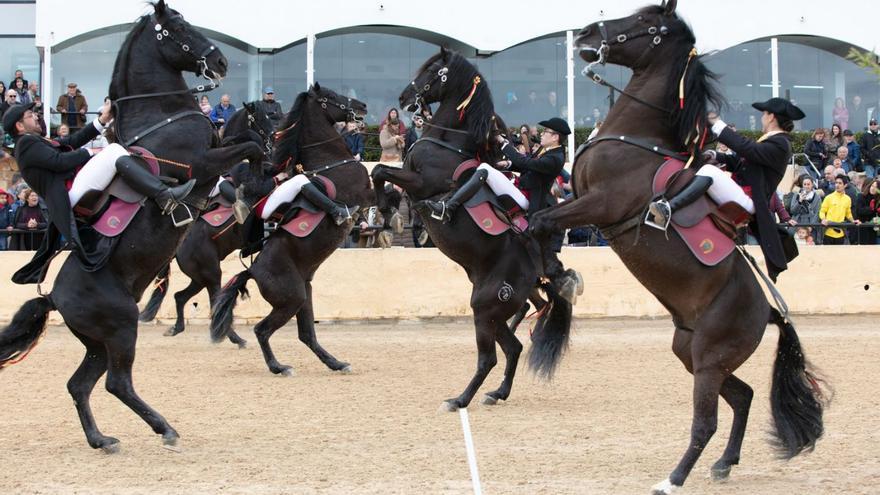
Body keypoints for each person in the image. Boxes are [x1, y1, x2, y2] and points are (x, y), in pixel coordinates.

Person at [2, 101, 195, 283]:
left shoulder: (34, 142)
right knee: (112, 151)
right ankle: (163, 194)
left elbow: (71, 141)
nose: (36, 117)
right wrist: (90, 152)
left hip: (74, 186)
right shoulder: (25, 144)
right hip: (69, 192)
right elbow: (59, 163)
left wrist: (101, 121)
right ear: (19, 126)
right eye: (30, 115)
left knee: (114, 152)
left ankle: (157, 191)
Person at [648, 97, 805, 280]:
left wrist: (716, 122)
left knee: (710, 172)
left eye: (764, 114)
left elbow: (746, 149)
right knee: (708, 169)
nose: (762, 117)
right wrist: (716, 155)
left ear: (771, 117)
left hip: (749, 200)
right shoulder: (772, 141)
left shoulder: (780, 144)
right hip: (742, 194)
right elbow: (741, 162)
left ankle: (668, 209)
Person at [819, 174, 859, 245]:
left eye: (840, 183)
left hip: (841, 233)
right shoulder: (828, 197)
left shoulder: (848, 199)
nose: (837, 185)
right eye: (836, 183)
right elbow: (822, 211)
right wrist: (823, 219)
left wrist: (853, 220)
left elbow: (848, 213)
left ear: (845, 185)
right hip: (828, 232)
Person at [788, 176, 822, 243]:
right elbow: (792, 211)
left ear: (812, 185)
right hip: (797, 222)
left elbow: (817, 214)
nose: (806, 186)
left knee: (809, 243)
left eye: (808, 184)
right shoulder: (796, 195)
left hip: (810, 223)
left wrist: (811, 226)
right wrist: (799, 201)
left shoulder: (817, 197)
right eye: (805, 184)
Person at [855, 178, 880, 245]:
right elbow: (859, 210)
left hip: (873, 228)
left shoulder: (877, 199)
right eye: (872, 186)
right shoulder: (861, 196)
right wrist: (871, 209)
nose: (873, 188)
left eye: (876, 187)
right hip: (862, 226)